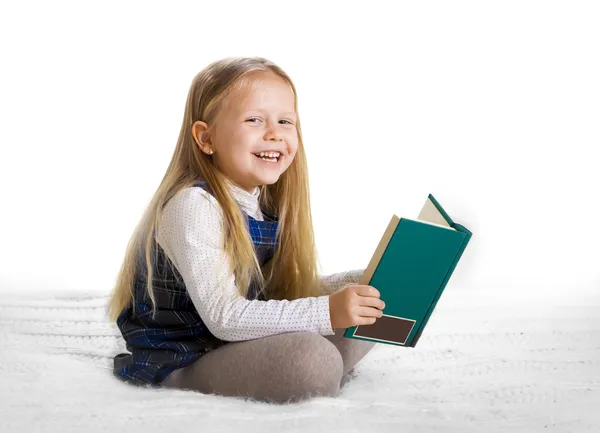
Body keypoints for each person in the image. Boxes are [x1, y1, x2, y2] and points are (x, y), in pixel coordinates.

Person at [106, 56, 386, 404]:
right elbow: (225, 318)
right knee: (313, 359)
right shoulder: (193, 206)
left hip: (235, 343)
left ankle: (304, 375)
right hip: (187, 356)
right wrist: (327, 311)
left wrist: (362, 282)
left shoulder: (263, 201)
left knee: (378, 301)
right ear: (206, 138)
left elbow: (273, 294)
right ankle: (306, 374)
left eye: (285, 121)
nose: (274, 133)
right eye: (254, 120)